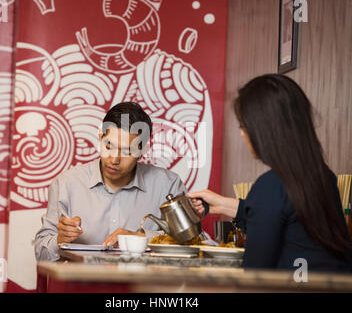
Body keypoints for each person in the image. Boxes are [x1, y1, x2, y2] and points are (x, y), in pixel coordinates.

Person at [190, 74, 352, 272]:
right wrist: (223, 204)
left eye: (243, 126)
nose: (242, 133)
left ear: (265, 129)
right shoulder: (323, 177)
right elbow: (285, 218)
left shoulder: (270, 186)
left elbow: (256, 275)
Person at [35, 102, 186, 261]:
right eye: (108, 146)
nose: (114, 159)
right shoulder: (66, 184)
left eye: (127, 151)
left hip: (144, 284)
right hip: (81, 285)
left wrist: (141, 237)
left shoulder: (168, 185)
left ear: (142, 152)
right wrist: (59, 239)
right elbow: (41, 254)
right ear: (100, 138)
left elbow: (195, 242)